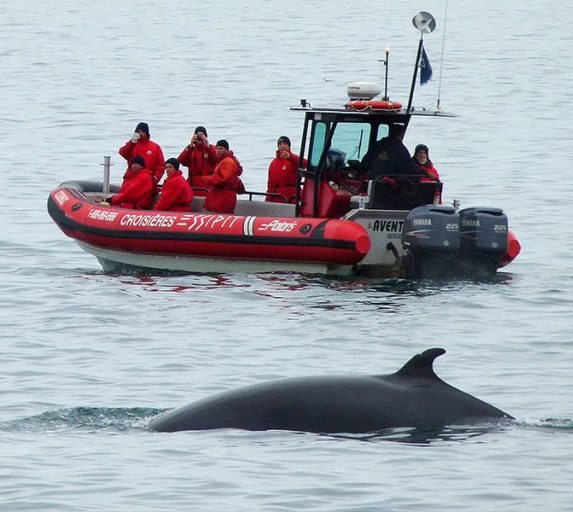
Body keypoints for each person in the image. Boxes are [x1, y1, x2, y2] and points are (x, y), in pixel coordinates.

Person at [119, 122, 165, 186]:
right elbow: (123, 153)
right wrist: (132, 142)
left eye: (142, 131)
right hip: (130, 178)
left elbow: (161, 166)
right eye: (138, 131)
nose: (140, 133)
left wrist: (155, 179)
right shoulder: (132, 145)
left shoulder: (155, 147)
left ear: (147, 133)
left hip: (147, 179)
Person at [177, 125, 218, 196]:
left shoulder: (212, 148)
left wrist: (208, 147)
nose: (199, 138)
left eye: (202, 135)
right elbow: (180, 160)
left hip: (207, 183)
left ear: (206, 136)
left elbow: (217, 160)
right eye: (197, 135)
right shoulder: (191, 150)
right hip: (193, 183)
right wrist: (190, 146)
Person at [203, 139, 242, 214]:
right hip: (221, 195)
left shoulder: (228, 161)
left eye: (221, 148)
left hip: (224, 196)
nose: (218, 150)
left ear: (227, 150)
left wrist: (207, 179)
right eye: (217, 148)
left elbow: (223, 178)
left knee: (221, 216)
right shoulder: (222, 160)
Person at [265, 135, 304, 203]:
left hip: (292, 197)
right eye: (280, 144)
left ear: (289, 146)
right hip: (278, 197)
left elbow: (305, 164)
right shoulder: (273, 163)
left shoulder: (294, 160)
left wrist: (290, 157)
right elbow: (270, 185)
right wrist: (267, 200)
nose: (282, 146)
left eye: (285, 144)